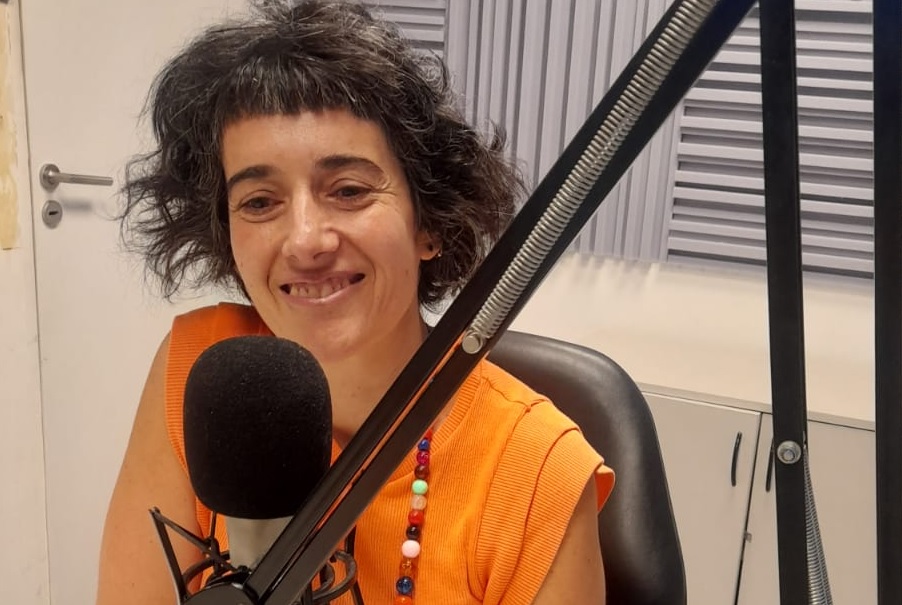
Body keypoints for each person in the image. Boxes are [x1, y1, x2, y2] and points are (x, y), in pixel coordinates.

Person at [97, 1, 614, 603]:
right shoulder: (197, 368)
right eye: (260, 202)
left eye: (348, 190)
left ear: (430, 223)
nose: (305, 241)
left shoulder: (536, 472)